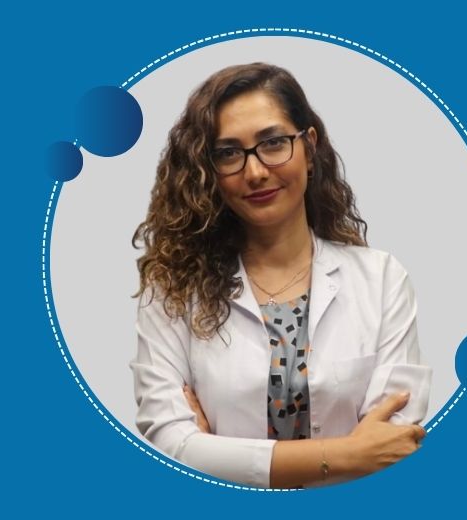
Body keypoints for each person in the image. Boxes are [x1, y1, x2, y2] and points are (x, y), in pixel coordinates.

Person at [131, 62, 432, 489]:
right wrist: (345, 455)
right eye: (229, 153)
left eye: (273, 143)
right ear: (209, 171)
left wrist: (218, 453)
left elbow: (393, 444)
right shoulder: (173, 292)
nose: (255, 171)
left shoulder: (381, 280)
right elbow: (170, 446)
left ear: (309, 147)